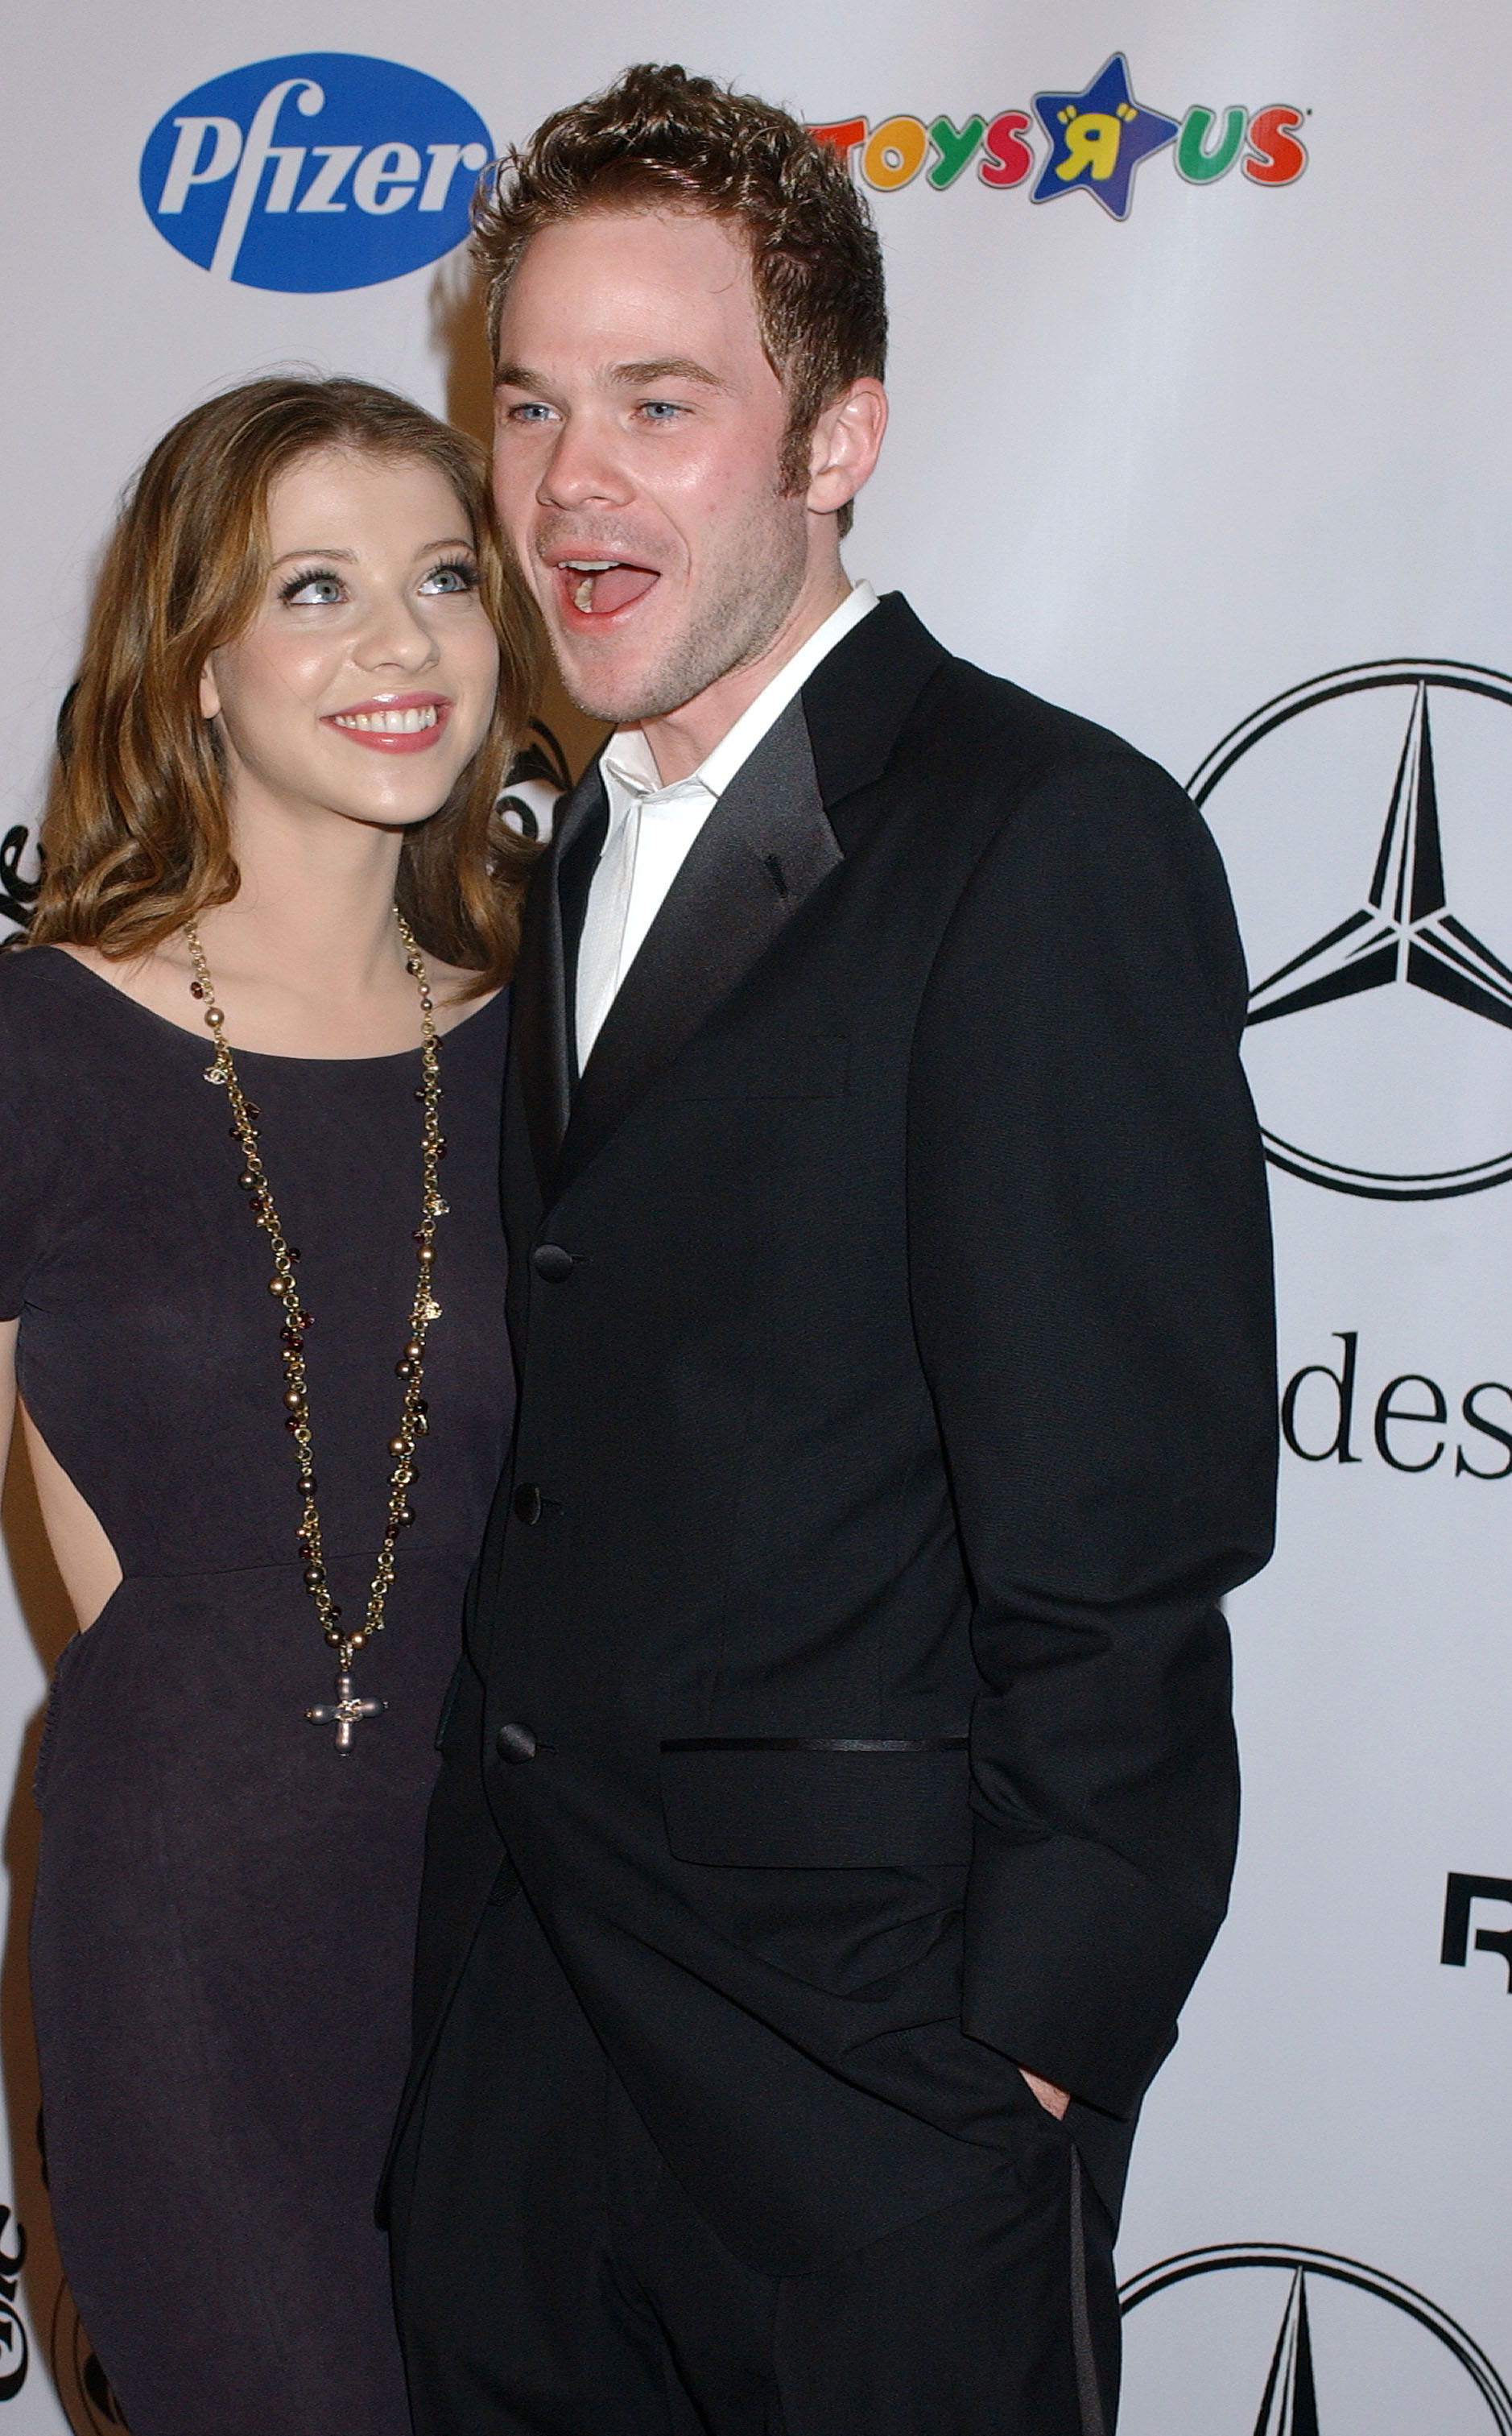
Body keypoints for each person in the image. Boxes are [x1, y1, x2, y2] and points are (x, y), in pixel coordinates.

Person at [386, 64, 1279, 2436]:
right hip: (526, 2079)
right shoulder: (573, 845)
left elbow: (1123, 1552)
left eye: (658, 404)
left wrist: (1021, 2076)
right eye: (531, 407)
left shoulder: (1037, 841)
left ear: (836, 433)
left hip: (861, 2110)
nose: (570, 483)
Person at [0, 374, 542, 2436]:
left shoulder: (556, 1051)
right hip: (186, 1962)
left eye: (444, 581)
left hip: (524, 1965)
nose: (402, 646)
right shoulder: (21, 1049)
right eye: (318, 588)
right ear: (198, 663)